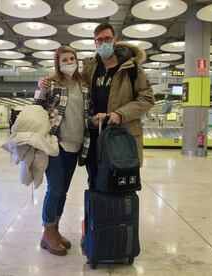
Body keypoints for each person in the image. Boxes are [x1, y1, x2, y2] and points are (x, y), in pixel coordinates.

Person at [39, 22, 155, 187]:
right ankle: (94, 213)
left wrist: (120, 114)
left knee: (119, 183)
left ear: (114, 40)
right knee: (95, 181)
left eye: (107, 39)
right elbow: (70, 82)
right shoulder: (90, 67)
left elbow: (147, 98)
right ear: (95, 43)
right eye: (99, 40)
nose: (103, 43)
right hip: (94, 136)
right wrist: (47, 80)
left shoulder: (132, 67)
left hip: (121, 135)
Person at [33, 45, 92, 256]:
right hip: (55, 144)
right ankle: (47, 232)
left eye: (72, 59)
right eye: (64, 60)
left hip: (76, 145)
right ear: (58, 63)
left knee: (63, 192)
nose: (69, 63)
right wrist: (40, 87)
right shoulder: (52, 83)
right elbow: (36, 107)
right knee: (55, 190)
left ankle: (55, 231)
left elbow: (87, 113)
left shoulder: (84, 85)